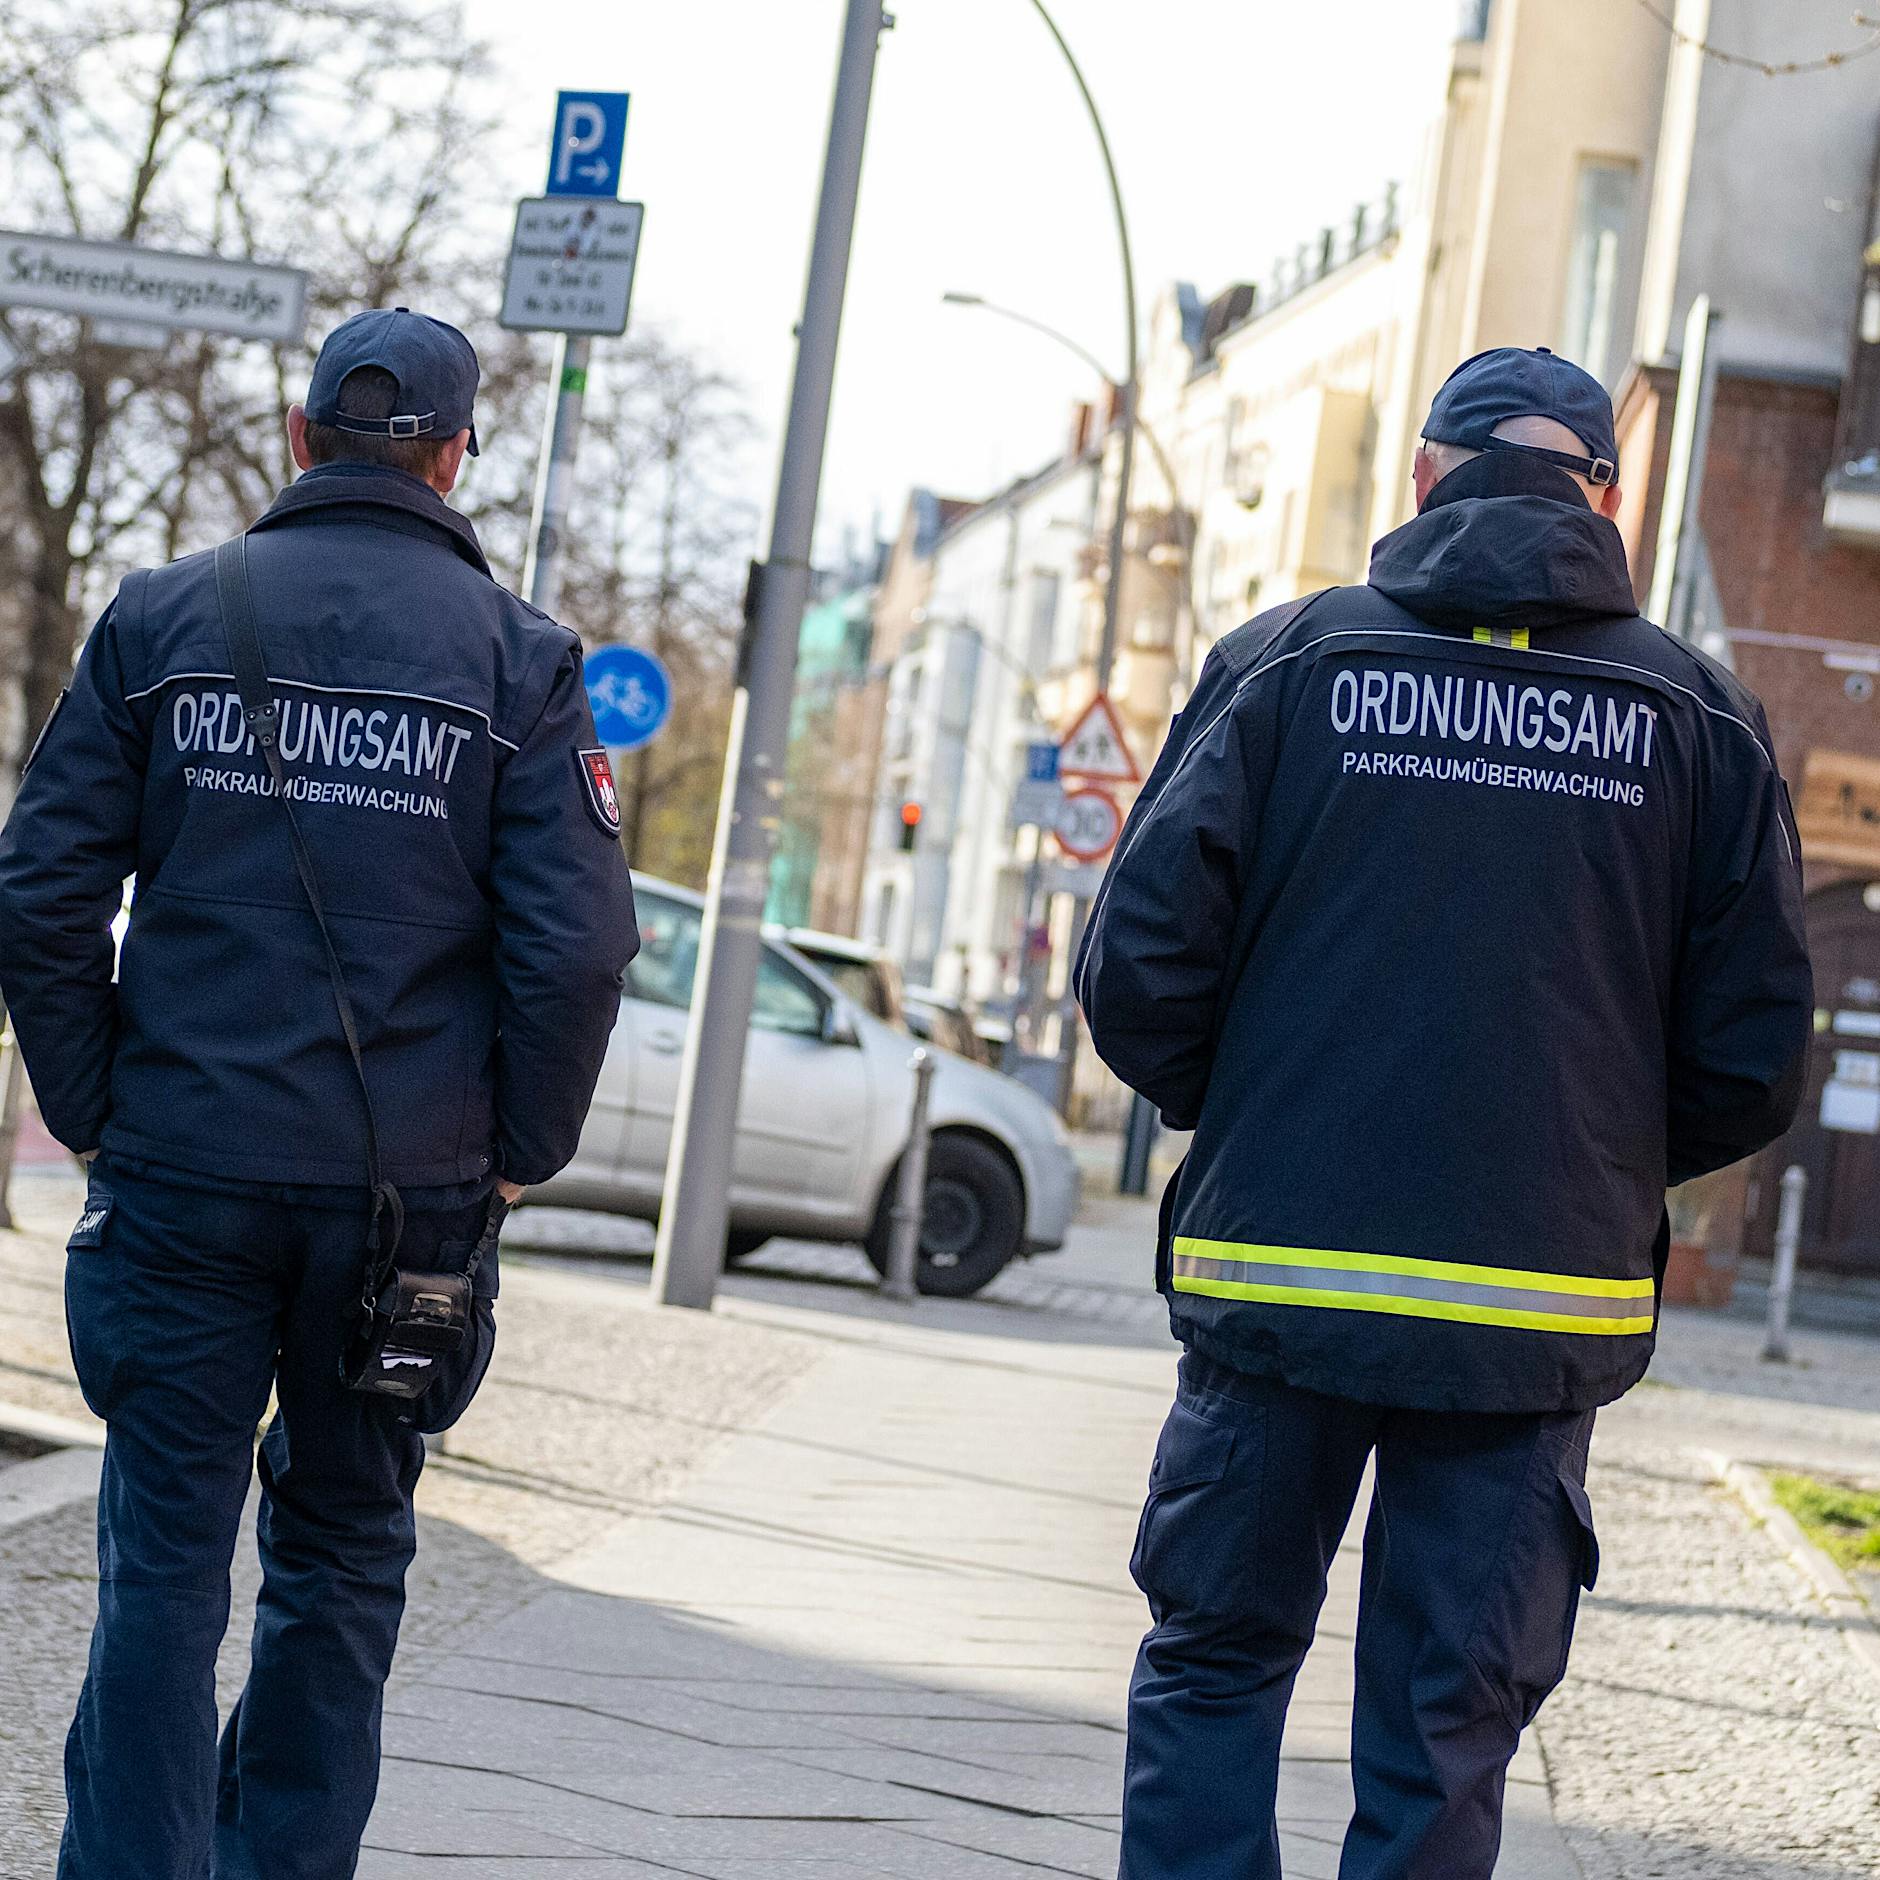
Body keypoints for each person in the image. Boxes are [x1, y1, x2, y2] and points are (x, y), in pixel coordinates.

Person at [1077, 346, 1812, 1878]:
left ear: (1423, 478)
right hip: (1531, 1310)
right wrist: (1592, 1151)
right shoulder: (1701, 717)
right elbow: (1750, 1054)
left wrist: (1261, 1108)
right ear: (1609, 498)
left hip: (1280, 1276)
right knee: (1445, 1727)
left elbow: (1137, 966)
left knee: (1215, 1667)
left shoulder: (1287, 665)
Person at [0, 308, 639, 1878]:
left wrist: (91, 1105)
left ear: (300, 438)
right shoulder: (523, 663)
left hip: (181, 1169)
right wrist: (513, 1156)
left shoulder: (162, 618)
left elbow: (39, 890)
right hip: (403, 1206)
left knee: (161, 1566)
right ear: (452, 457)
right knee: (344, 1560)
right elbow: (577, 950)